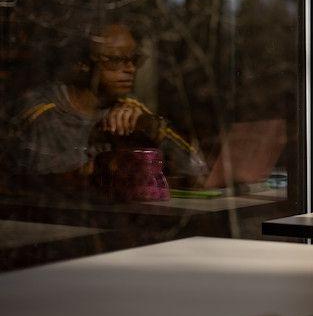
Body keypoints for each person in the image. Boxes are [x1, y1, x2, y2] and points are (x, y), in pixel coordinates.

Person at [2, 22, 207, 195]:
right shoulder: (44, 113)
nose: (131, 69)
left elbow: (199, 173)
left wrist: (152, 129)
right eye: (116, 60)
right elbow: (36, 190)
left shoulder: (130, 109)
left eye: (134, 60)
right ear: (82, 64)